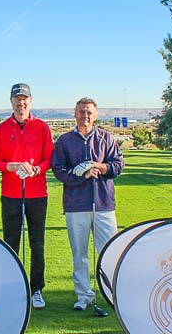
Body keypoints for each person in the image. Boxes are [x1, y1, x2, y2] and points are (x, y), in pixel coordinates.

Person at [51, 97, 124, 311]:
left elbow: (118, 166)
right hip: (76, 205)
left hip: (103, 204)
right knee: (79, 253)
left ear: (96, 114)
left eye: (89, 112)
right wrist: (82, 175)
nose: (86, 116)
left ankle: (113, 293)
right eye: (82, 111)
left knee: (109, 252)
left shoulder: (106, 138)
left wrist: (98, 167)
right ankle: (84, 296)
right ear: (75, 114)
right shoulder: (65, 141)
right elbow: (58, 170)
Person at [0, 83, 54, 309]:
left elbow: (49, 159)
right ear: (11, 102)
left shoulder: (42, 127)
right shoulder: (1, 129)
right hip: (11, 194)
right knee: (11, 244)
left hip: (37, 194)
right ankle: (12, 287)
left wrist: (37, 169)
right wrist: (10, 166)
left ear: (30, 101)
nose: (21, 103)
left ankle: (36, 289)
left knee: (37, 244)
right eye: (17, 99)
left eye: (25, 99)